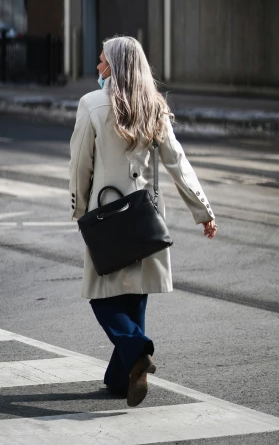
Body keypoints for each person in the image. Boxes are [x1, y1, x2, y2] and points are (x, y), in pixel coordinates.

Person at [69, 35, 217, 408]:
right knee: (134, 297)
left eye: (103, 61)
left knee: (101, 297)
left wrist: (79, 209)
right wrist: (203, 211)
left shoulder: (91, 104)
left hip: (106, 215)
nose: (98, 68)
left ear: (117, 65)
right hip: (145, 217)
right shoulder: (154, 107)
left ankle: (137, 350)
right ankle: (120, 379)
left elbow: (80, 165)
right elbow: (177, 163)